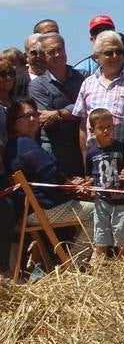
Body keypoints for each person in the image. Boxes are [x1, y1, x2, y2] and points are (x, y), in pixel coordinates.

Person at [5, 97, 94, 260]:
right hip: (41, 210)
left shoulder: (16, 144)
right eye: (24, 116)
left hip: (32, 210)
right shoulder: (23, 144)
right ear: (13, 123)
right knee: (97, 213)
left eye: (34, 114)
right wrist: (72, 186)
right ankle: (76, 263)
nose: (32, 119)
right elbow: (51, 172)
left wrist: (70, 183)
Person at [72, 30, 124, 156]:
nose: (115, 56)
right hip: (98, 161)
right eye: (109, 53)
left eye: (119, 52)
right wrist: (85, 161)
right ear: (96, 57)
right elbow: (83, 126)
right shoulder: (88, 84)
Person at [29, 33, 88, 177]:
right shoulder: (36, 86)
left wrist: (58, 113)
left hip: (84, 147)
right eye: (51, 52)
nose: (57, 54)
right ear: (42, 56)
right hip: (56, 151)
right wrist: (78, 110)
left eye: (60, 49)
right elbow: (46, 120)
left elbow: (90, 109)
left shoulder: (84, 77)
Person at [85, 107, 124, 260]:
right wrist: (88, 184)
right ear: (92, 130)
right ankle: (97, 272)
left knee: (123, 243)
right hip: (102, 202)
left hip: (122, 202)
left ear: (113, 126)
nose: (106, 131)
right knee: (100, 240)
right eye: (101, 128)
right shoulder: (91, 153)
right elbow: (90, 175)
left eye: (109, 127)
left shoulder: (121, 148)